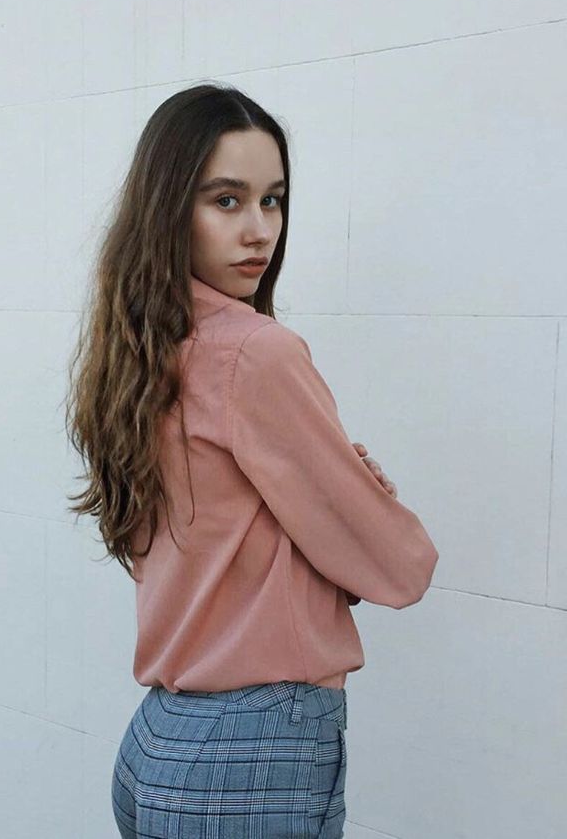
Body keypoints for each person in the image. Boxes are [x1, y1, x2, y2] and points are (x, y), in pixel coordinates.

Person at [64, 82, 440, 839]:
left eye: (273, 201)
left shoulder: (140, 353)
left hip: (160, 744)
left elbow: (235, 549)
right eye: (226, 200)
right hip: (252, 755)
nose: (259, 230)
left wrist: (324, 516)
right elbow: (400, 569)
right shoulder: (256, 353)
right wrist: (361, 501)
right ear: (170, 208)